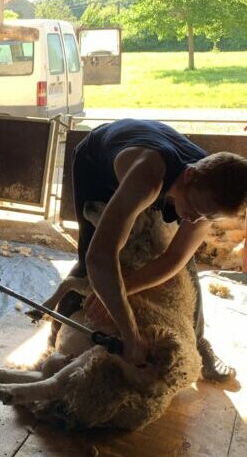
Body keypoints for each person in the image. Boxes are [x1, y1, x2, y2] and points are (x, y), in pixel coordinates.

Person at [47, 119, 247, 381]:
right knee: (92, 255)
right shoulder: (148, 178)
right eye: (196, 211)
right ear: (189, 177)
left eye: (207, 217)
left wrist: (125, 288)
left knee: (187, 269)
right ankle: (58, 330)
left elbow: (175, 257)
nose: (196, 220)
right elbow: (100, 257)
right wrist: (130, 334)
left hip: (167, 172)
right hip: (97, 162)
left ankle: (197, 341)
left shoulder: (208, 190)